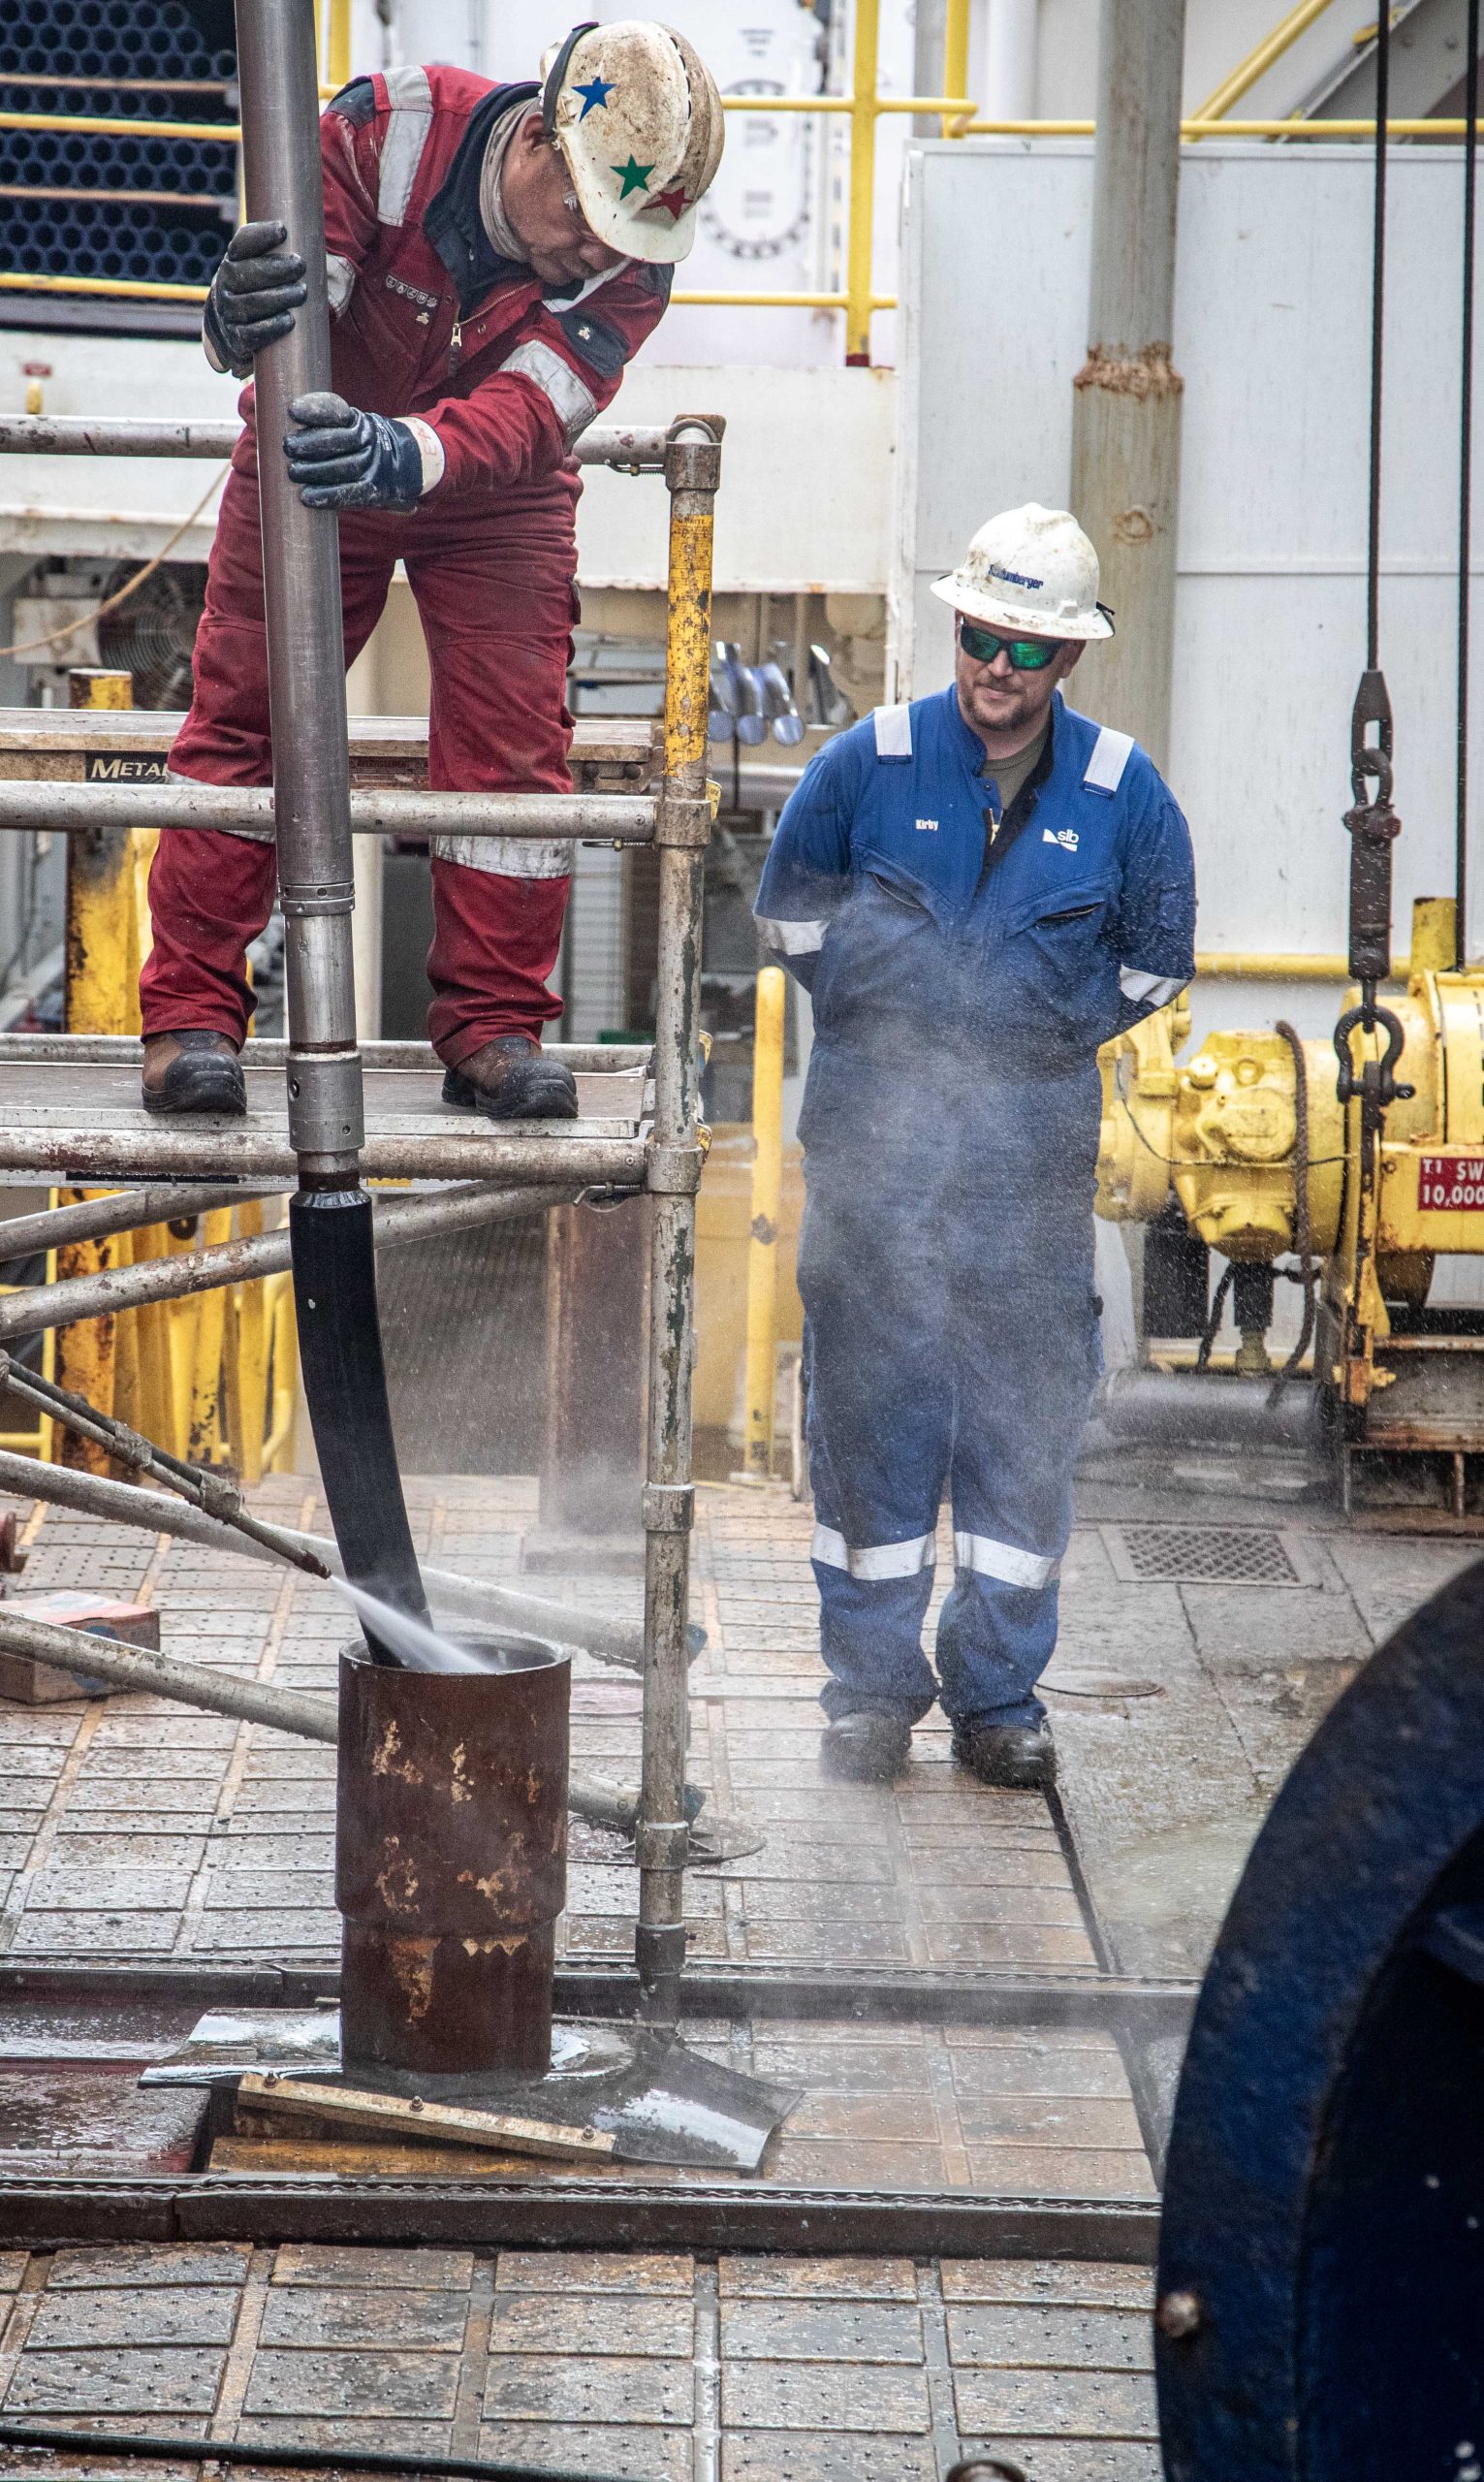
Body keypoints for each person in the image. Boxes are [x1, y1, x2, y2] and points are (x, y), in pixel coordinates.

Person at [140, 21, 723, 1122]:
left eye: (627, 239)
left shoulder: (638, 257)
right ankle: (188, 1021)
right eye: (592, 225)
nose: (604, 257)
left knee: (512, 758)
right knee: (245, 722)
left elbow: (529, 414)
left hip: (495, 494)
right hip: (314, 452)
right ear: (544, 138)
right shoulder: (384, 132)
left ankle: (495, 1029)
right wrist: (232, 324)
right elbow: (288, 309)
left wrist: (408, 456)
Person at [754, 504, 1196, 1789]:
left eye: (1023, 650)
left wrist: (1021, 1042)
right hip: (870, 1179)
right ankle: (870, 1697)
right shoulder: (867, 766)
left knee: (1016, 1443)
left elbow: (1153, 965)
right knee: (870, 1434)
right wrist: (894, 1037)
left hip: (1025, 1182)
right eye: (978, 638)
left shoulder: (1124, 798)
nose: (993, 669)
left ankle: (997, 1699)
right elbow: (789, 925)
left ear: (1067, 662)